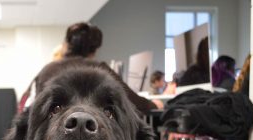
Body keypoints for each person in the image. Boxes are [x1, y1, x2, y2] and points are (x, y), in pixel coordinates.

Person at [19, 22, 160, 114]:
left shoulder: (47, 70)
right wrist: (154, 105)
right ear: (94, 50)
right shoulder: (101, 70)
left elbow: (34, 112)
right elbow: (133, 102)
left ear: (67, 44)